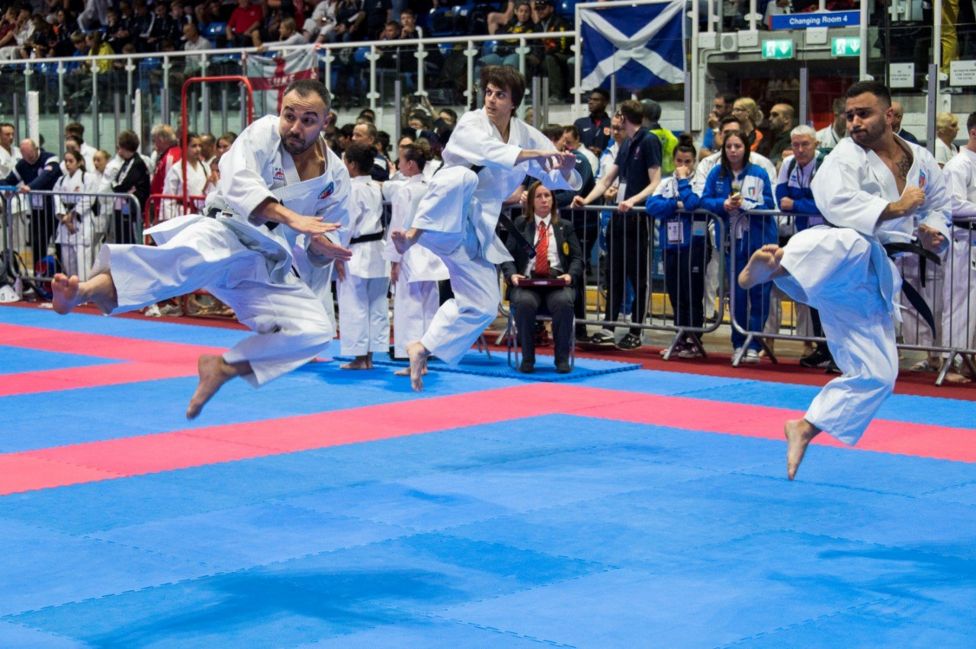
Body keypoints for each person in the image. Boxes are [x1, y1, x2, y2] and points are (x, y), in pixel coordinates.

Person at [51, 79, 354, 420]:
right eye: (289, 116)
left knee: (315, 329)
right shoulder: (264, 133)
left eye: (308, 120)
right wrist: (293, 219)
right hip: (226, 228)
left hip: (267, 261)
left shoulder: (336, 177)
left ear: (326, 122)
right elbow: (239, 182)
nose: (295, 128)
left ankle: (223, 367)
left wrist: (322, 249)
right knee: (178, 261)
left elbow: (327, 240)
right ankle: (82, 292)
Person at [737, 80, 950, 480]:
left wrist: (931, 229)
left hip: (872, 281)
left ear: (889, 115)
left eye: (863, 113)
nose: (853, 122)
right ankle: (775, 266)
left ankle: (805, 426)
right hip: (844, 256)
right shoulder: (843, 158)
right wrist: (894, 207)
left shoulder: (918, 158)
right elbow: (834, 202)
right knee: (851, 241)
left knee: (880, 374)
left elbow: (940, 202)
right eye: (848, 114)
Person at [391, 66, 580, 391]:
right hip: (446, 210)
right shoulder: (471, 123)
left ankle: (423, 347)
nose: (491, 100)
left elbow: (553, 174)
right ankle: (413, 234)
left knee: (483, 302)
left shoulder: (524, 133)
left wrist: (566, 168)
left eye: (500, 95)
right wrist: (537, 154)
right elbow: (493, 153)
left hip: (474, 229)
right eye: (489, 92)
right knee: (465, 176)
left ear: (513, 102)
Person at [572, 99, 662, 350]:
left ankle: (637, 328)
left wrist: (632, 201)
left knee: (637, 274)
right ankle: (609, 325)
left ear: (622, 117)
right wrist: (586, 198)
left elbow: (655, 181)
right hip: (619, 217)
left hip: (637, 217)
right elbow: (606, 179)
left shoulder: (648, 140)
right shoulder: (625, 144)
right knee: (614, 272)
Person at [684, 129, 776, 363]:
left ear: (746, 148)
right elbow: (704, 201)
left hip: (758, 241)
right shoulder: (717, 173)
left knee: (760, 294)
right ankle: (738, 343)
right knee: (736, 294)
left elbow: (771, 206)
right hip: (730, 243)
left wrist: (748, 205)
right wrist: (722, 204)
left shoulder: (759, 172)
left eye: (738, 146)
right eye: (729, 147)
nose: (733, 151)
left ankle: (753, 344)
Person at [501, 181, 583, 373]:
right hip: (527, 281)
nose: (544, 200)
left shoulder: (565, 226)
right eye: (539, 196)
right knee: (524, 303)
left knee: (563, 302)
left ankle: (562, 359)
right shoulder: (521, 224)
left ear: (553, 200)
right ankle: (527, 359)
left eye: (547, 196)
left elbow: (577, 259)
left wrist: (570, 276)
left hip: (557, 282)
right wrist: (512, 275)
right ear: (531, 202)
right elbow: (506, 257)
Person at [383, 143, 448, 373]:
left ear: (410, 165)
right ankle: (424, 360)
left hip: (409, 252)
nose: (398, 164)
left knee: (408, 309)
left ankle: (413, 362)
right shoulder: (432, 187)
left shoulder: (406, 190)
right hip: (431, 253)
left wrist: (393, 261)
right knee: (429, 309)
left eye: (401, 160)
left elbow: (397, 226)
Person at [774, 125, 834, 371]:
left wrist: (797, 203)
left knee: (830, 294)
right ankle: (822, 347)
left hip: (829, 237)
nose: (800, 150)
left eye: (805, 145)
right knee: (812, 294)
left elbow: (826, 204)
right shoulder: (788, 165)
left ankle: (835, 348)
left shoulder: (826, 166)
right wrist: (801, 204)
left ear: (815, 144)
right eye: (796, 145)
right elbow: (780, 198)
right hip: (804, 237)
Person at [646, 138, 710, 358]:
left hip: (694, 245)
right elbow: (652, 206)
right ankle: (680, 337)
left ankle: (694, 339)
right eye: (679, 161)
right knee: (675, 292)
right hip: (671, 245)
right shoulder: (665, 183)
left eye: (688, 161)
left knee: (692, 293)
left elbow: (693, 204)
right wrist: (675, 204)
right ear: (673, 160)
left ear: (694, 162)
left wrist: (683, 183)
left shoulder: (700, 181)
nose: (683, 165)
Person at [335, 142, 389, 370]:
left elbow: (346, 225)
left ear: (353, 165)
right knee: (376, 304)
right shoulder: (377, 187)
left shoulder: (351, 190)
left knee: (354, 303)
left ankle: (359, 358)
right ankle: (369, 356)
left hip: (355, 252)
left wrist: (337, 252)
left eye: (345, 161)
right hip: (378, 250)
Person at [938, 110, 976, 383]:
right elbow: (953, 205)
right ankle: (949, 362)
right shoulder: (958, 165)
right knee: (959, 304)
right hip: (963, 243)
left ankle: (968, 360)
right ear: (973, 132)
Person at [52, 149, 100, 280]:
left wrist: (72, 215)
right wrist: (64, 217)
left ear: (79, 163)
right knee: (67, 260)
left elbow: (89, 199)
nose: (68, 164)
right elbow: (56, 197)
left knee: (83, 259)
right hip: (65, 222)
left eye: (71, 161)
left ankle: (84, 289)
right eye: (66, 161)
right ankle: (72, 289)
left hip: (81, 219)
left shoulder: (88, 178)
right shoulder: (61, 180)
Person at [573, 88, 612, 158]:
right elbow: (572, 145)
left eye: (595, 100)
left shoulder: (612, 124)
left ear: (605, 102)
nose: (590, 102)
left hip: (605, 163)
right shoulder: (580, 123)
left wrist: (602, 152)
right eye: (590, 99)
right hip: (584, 163)